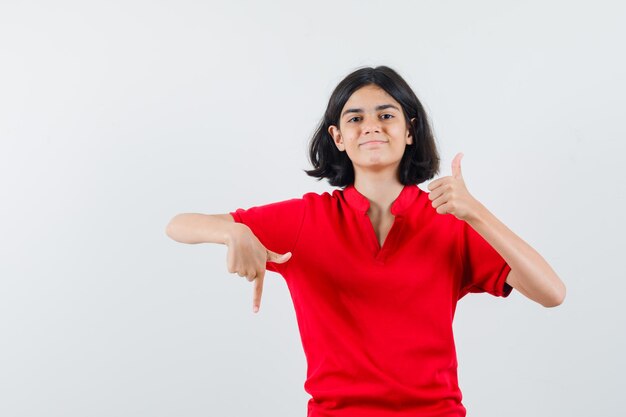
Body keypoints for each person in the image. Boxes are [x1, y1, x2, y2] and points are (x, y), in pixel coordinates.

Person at [165, 66, 566, 417]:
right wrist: (233, 231)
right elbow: (178, 225)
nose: (371, 125)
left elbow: (551, 292)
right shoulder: (307, 218)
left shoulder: (450, 221)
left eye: (386, 115)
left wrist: (476, 213)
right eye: (355, 118)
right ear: (338, 137)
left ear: (410, 130)